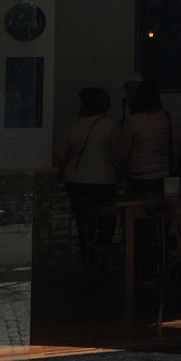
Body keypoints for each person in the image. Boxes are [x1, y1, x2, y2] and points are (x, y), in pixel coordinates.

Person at [60, 87, 118, 265]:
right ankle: (100, 254)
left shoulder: (73, 125)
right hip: (103, 179)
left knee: (84, 224)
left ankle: (87, 257)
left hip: (75, 179)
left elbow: (62, 154)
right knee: (107, 221)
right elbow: (118, 153)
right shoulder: (109, 125)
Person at [120, 80, 172, 197]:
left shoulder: (133, 120)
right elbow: (175, 146)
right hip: (163, 171)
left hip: (139, 172)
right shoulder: (165, 118)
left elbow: (123, 151)